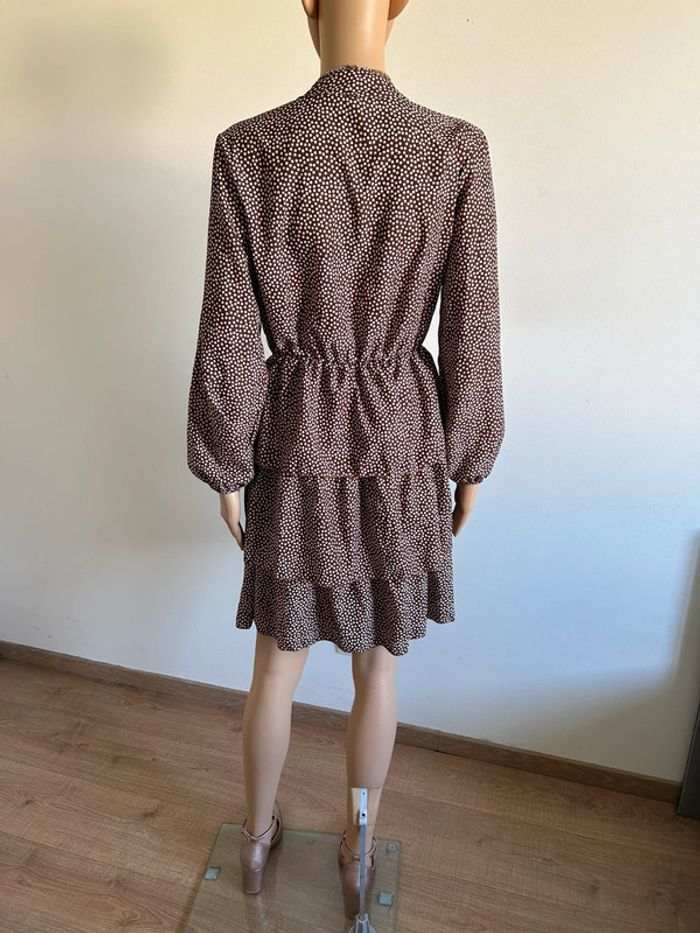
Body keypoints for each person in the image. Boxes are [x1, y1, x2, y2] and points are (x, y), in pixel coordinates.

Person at [186, 0, 505, 917]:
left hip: (292, 438)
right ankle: (360, 853)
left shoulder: (250, 147)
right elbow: (473, 323)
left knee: (275, 664)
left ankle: (254, 842)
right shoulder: (453, 148)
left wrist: (227, 461)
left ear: (308, 8)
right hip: (403, 440)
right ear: (397, 8)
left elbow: (228, 330)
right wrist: (470, 455)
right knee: (379, 666)